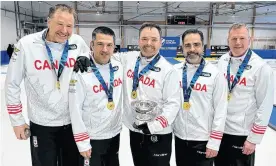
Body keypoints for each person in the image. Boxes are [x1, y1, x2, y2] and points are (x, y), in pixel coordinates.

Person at [74, 22, 181, 166]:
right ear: (138, 41)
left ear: (161, 42)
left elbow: (173, 105)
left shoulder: (169, 71)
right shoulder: (128, 58)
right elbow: (105, 52)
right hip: (135, 131)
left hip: (158, 133)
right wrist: (84, 55)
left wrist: (153, 126)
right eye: (144, 39)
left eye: (154, 39)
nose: (148, 43)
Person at [5, 4, 89, 166]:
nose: (64, 30)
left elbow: (88, 59)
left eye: (69, 26)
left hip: (72, 122)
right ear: (48, 21)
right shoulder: (26, 44)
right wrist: (17, 120)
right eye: (59, 24)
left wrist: (86, 59)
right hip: (42, 124)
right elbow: (12, 84)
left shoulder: (77, 42)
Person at [215, 23, 274, 166]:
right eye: (234, 38)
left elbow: (265, 106)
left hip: (241, 134)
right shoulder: (222, 61)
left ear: (250, 39)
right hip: (220, 130)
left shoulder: (261, 68)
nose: (238, 42)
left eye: (242, 38)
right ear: (228, 40)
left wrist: (253, 139)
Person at [173, 29, 228, 166]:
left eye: (196, 44)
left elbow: (221, 110)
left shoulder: (215, 74)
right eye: (188, 45)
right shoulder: (174, 71)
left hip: (203, 140)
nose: (192, 49)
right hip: (180, 137)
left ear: (203, 46)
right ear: (182, 48)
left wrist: (215, 142)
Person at [69, 26, 123, 166]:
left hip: (114, 135)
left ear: (114, 47)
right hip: (91, 138)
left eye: (109, 45)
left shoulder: (119, 65)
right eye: (100, 44)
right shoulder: (81, 71)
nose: (105, 49)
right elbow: (75, 109)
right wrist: (82, 142)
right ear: (92, 44)